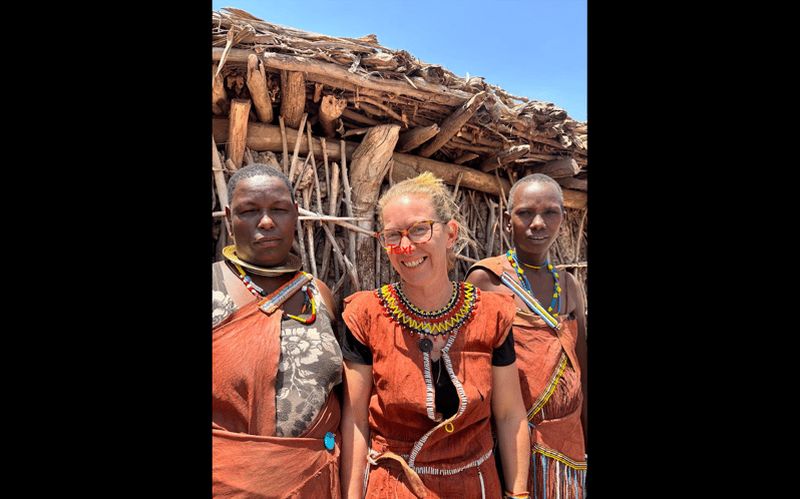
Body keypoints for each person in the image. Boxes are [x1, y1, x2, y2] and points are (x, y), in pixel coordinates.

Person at [340, 172, 531, 499]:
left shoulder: (490, 314)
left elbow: (510, 415)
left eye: (419, 229)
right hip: (394, 489)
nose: (405, 247)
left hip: (475, 488)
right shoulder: (366, 315)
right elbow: (355, 422)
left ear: (451, 233)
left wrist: (518, 495)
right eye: (392, 235)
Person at [212, 163, 343, 497]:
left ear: (295, 214)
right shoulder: (213, 287)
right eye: (249, 211)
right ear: (229, 217)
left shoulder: (318, 295)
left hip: (315, 483)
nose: (267, 221)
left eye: (279, 210)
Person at [466, 173, 587, 498]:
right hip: (510, 450)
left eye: (550, 212)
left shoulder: (569, 287)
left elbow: (583, 374)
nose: (538, 223)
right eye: (525, 213)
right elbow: (473, 374)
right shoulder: (487, 279)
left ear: (563, 217)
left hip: (569, 455)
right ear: (508, 221)